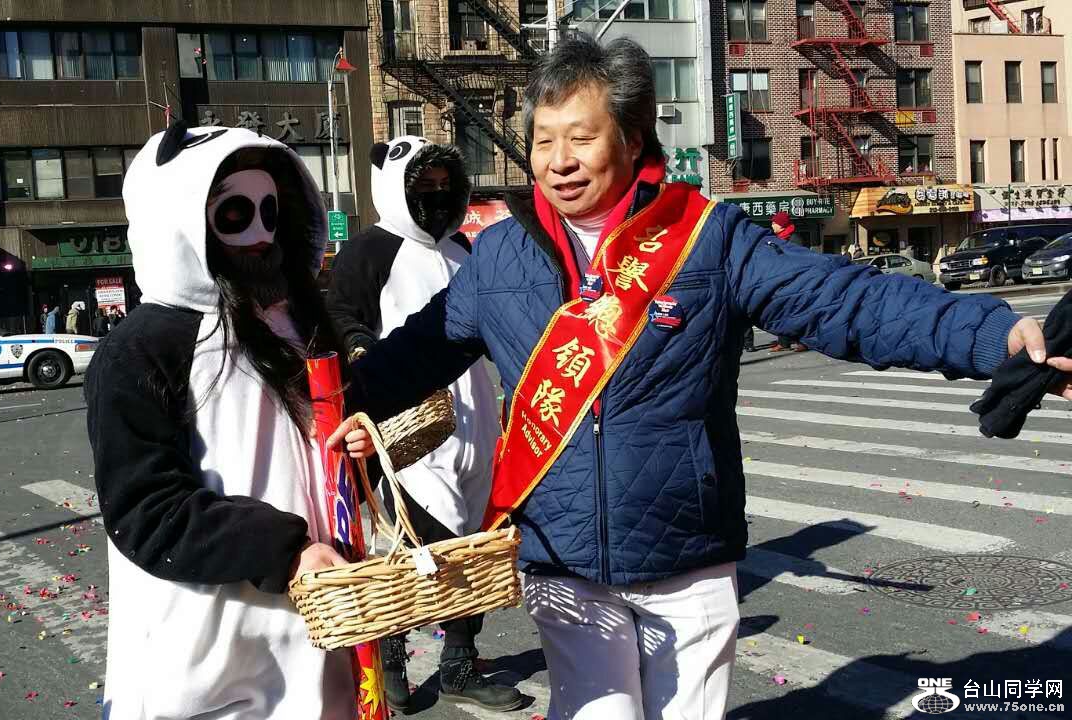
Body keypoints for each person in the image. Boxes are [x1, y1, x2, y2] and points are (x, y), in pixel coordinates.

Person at [331, 33, 1072, 720]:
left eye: (581, 138)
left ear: (632, 139)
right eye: (544, 139)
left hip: (685, 556)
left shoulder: (705, 239)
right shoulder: (497, 256)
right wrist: (323, 400)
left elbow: (845, 302)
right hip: (560, 557)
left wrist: (995, 336)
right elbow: (413, 355)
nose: (558, 160)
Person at [85, 122, 355, 719]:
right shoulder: (141, 348)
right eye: (235, 214)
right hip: (206, 654)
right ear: (181, 218)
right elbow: (146, 508)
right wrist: (285, 551)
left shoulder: (296, 322)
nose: (261, 235)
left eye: (270, 211)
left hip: (320, 633)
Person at [325, 137, 523, 712]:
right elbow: (339, 316)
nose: (436, 196)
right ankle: (389, 660)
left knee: (471, 547)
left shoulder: (464, 247)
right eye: (424, 187)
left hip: (475, 419)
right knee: (411, 546)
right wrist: (361, 349)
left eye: (445, 186)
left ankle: (459, 662)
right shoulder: (368, 250)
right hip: (406, 426)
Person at [767, 211, 807, 353]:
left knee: (796, 312)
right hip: (781, 280)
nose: (772, 225)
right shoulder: (777, 239)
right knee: (781, 312)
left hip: (795, 280)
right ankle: (783, 342)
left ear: (782, 224)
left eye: (774, 222)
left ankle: (803, 342)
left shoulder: (794, 239)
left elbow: (799, 258)